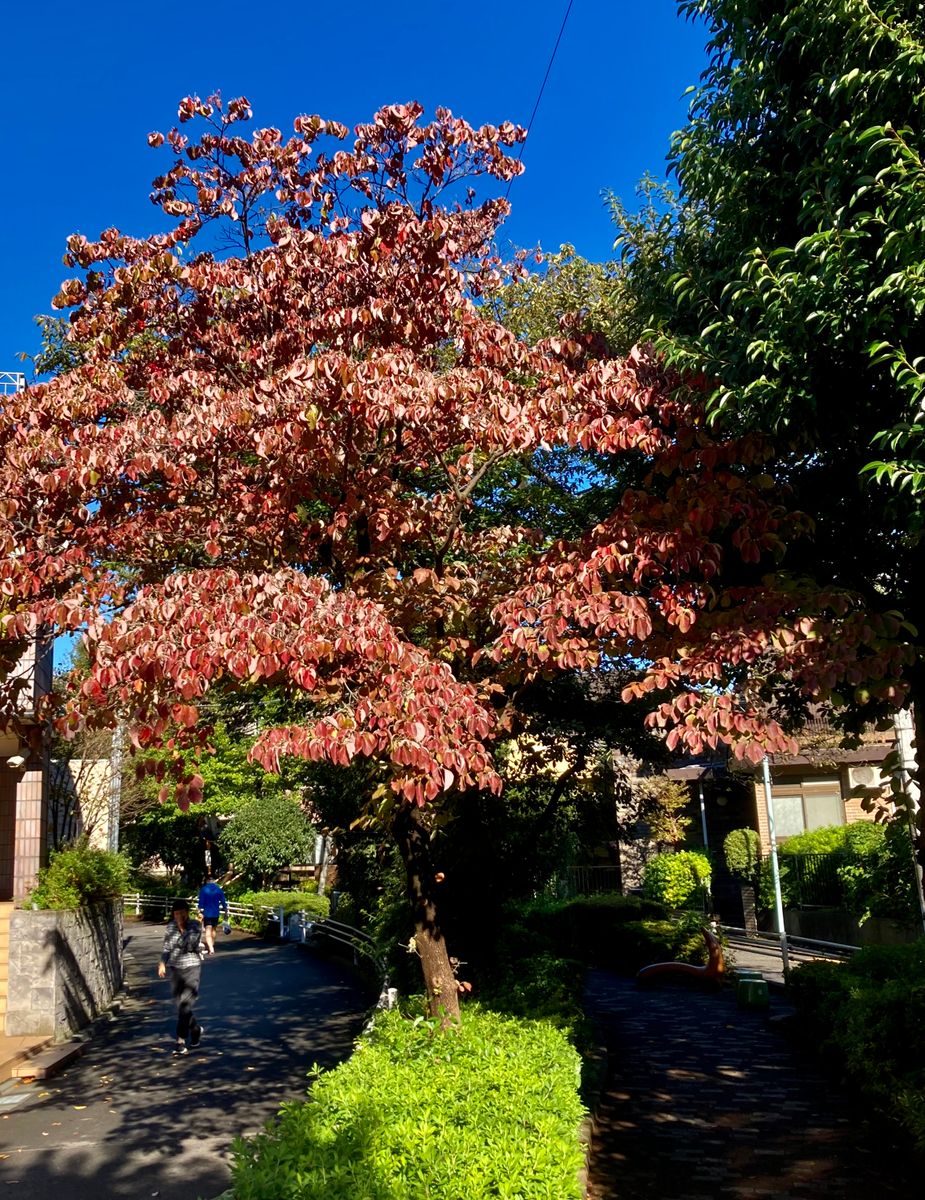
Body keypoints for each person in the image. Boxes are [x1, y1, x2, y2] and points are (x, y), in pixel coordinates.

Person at [158, 898, 204, 1056]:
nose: (178, 916)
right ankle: (195, 1029)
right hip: (175, 968)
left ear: (187, 913)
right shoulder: (170, 926)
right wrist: (162, 963)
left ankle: (180, 1040)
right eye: (175, 913)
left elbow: (189, 945)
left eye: (181, 913)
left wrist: (181, 926)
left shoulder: (195, 925)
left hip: (192, 967)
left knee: (185, 1005)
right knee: (180, 1006)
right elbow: (167, 946)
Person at [197, 873, 229, 954]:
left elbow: (201, 902)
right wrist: (225, 910)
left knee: (208, 930)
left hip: (207, 913)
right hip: (216, 913)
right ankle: (212, 945)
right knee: (214, 929)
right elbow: (223, 901)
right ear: (214, 880)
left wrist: (199, 911)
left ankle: (211, 948)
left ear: (207, 880)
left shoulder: (204, 889)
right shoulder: (218, 889)